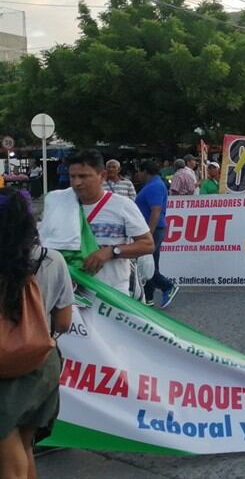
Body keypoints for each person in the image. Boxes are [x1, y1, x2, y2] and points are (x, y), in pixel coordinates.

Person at [0, 188, 73, 479]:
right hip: (42, 362)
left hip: (4, 371)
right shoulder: (52, 259)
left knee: (7, 450)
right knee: (24, 445)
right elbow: (64, 322)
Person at [63, 150, 154, 294]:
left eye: (83, 176)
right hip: (71, 295)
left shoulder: (123, 205)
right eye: (72, 177)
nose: (76, 182)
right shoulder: (61, 205)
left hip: (112, 294)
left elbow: (147, 244)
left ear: (102, 176)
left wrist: (112, 251)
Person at [135, 160, 180, 308]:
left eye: (139, 171)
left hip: (152, 229)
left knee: (145, 264)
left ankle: (167, 286)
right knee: (150, 262)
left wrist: (148, 233)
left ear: (145, 172)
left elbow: (156, 211)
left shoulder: (154, 186)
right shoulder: (154, 184)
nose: (137, 175)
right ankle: (148, 297)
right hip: (152, 228)